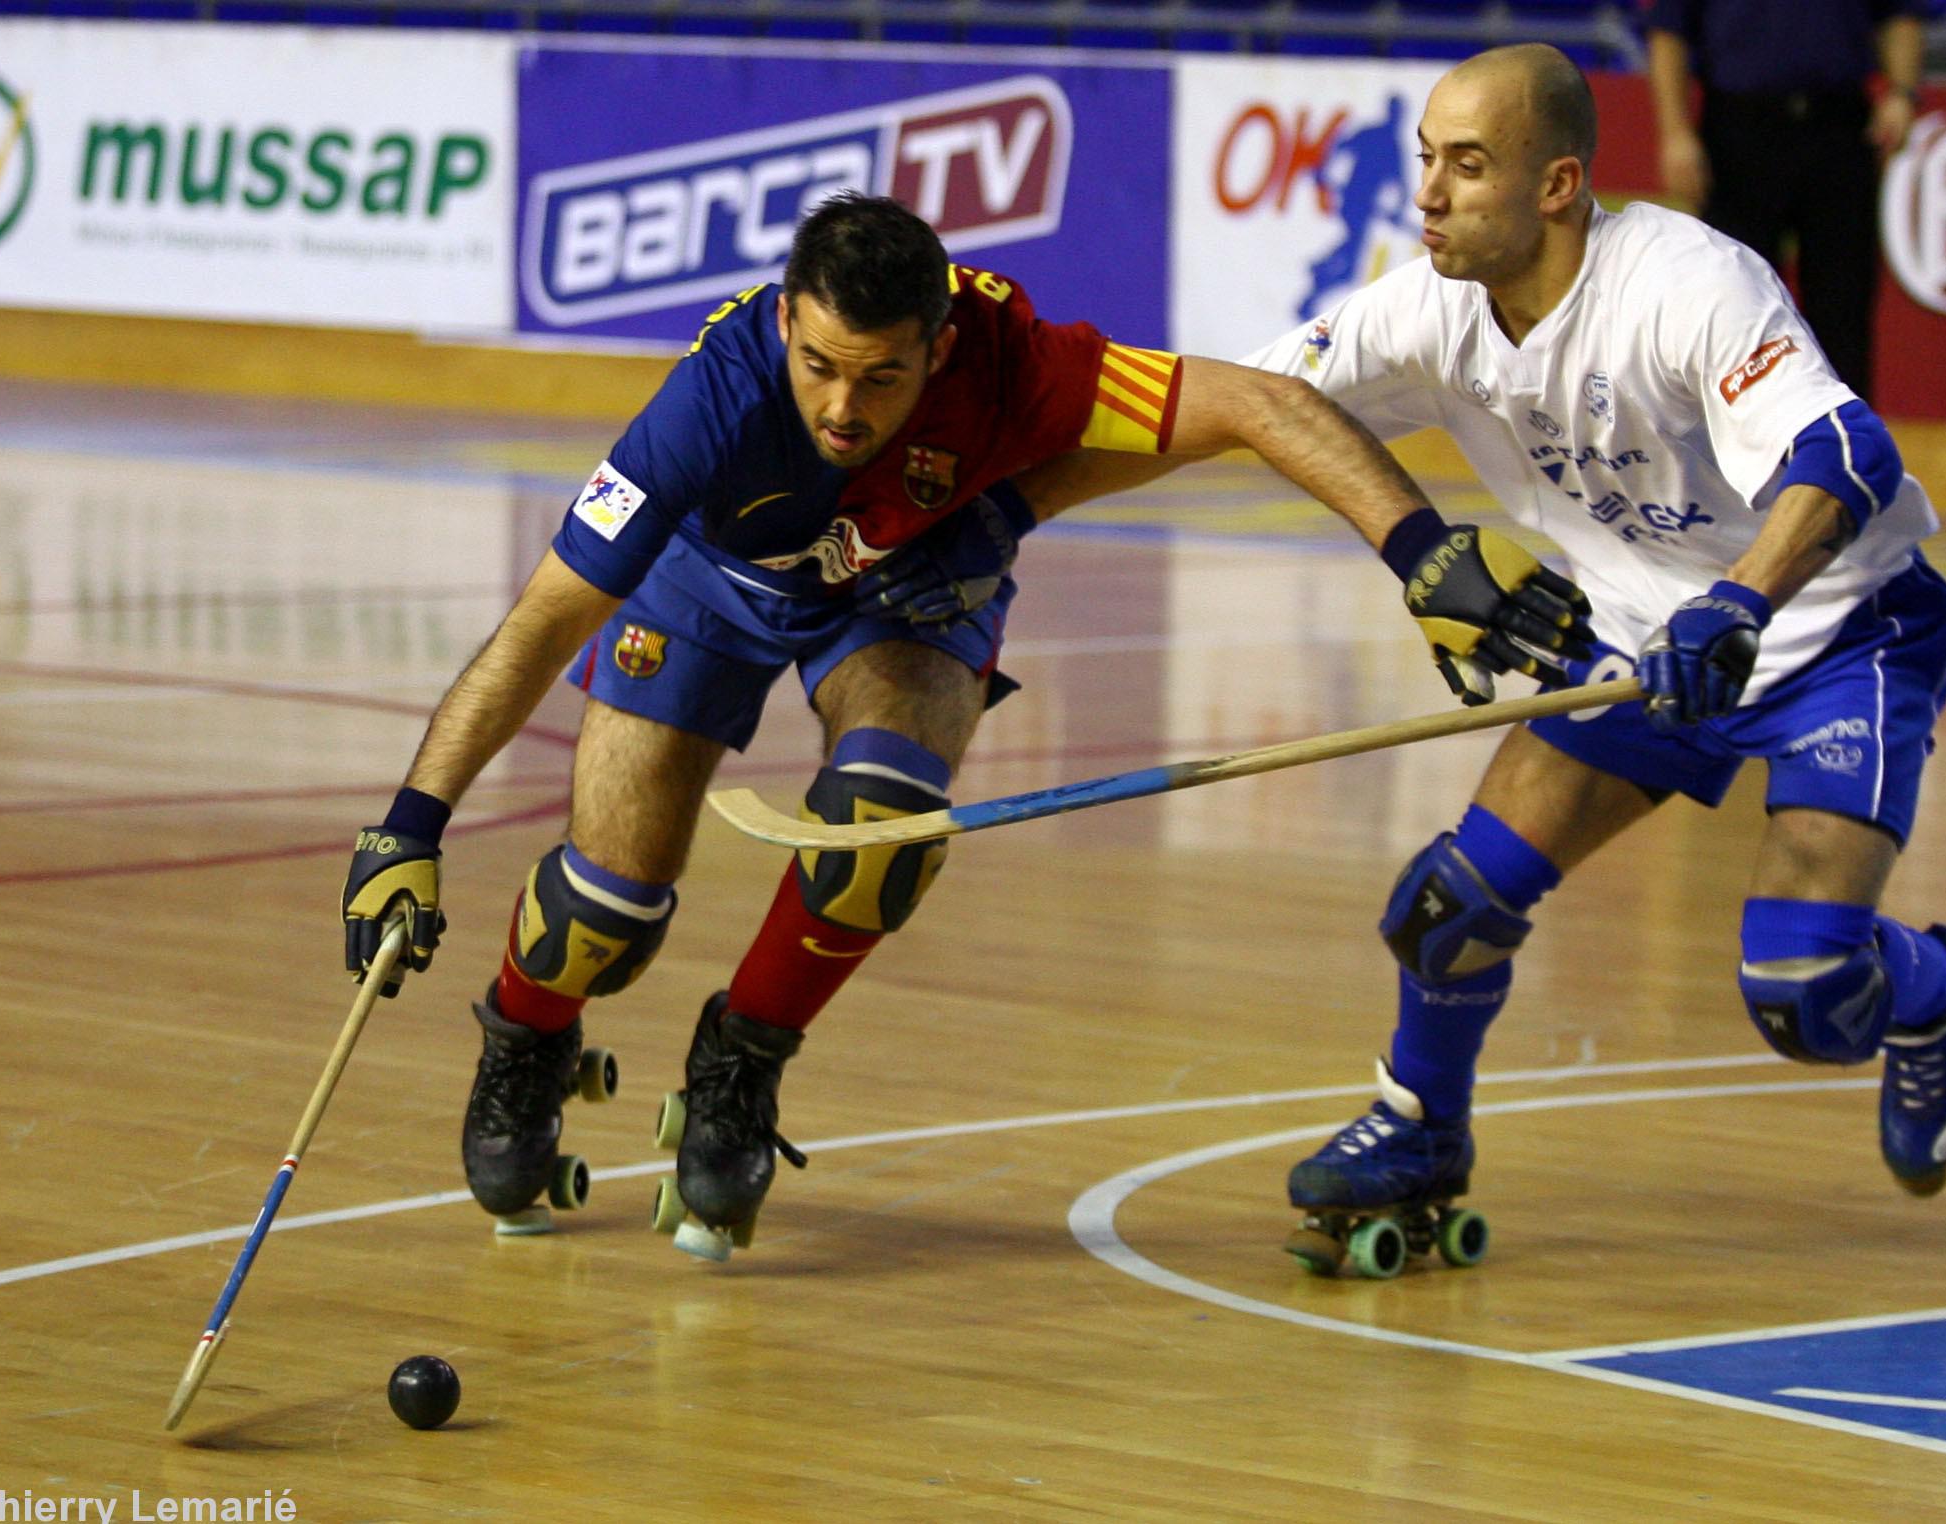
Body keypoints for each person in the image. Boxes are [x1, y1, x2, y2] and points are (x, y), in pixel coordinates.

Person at [338, 192, 1592, 1259]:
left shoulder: (1017, 357)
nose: (842, 404)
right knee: (602, 915)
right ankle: (528, 1036)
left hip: (908, 587)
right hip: (708, 587)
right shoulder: (705, 410)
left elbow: (1257, 404)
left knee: (882, 827)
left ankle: (745, 1058)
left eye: (881, 377)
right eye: (819, 364)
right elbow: (543, 620)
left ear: (939, 348)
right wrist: (409, 825)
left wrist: (1423, 554)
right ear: (784, 320)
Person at [1013, 45, 1946, 1268]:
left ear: (1559, 184)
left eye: (1467, 166)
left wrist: (1739, 605)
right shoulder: (1422, 310)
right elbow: (1231, 405)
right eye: (1426, 159)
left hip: (1837, 634)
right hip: (1637, 654)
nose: (1428, 192)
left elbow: (1849, 456)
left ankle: (1934, 987)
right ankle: (1421, 1127)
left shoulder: (1687, 284)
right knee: (1449, 910)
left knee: (1803, 994)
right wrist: (1009, 515)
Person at [1640, 0, 1928, 400]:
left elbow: (1899, 13)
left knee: (1842, 306)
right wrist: (1674, 132)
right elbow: (1668, 32)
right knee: (1736, 303)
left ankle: (1846, 449)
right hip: (1739, 131)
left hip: (1840, 127)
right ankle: (1738, 450)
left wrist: (1902, 92)